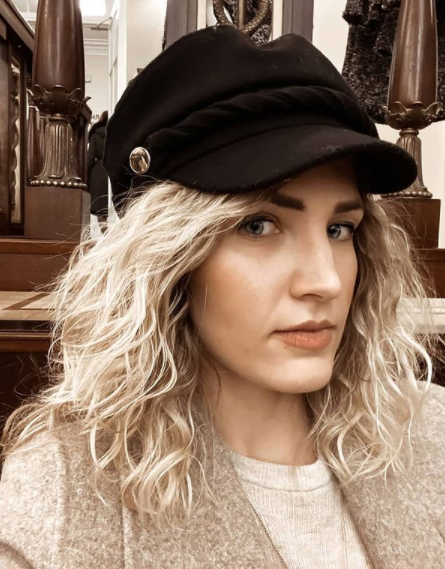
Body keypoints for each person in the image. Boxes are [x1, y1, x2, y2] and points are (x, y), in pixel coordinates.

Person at [1, 24, 444, 569]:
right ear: (168, 259)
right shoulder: (62, 498)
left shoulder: (430, 431)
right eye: (258, 226)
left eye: (339, 229)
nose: (326, 281)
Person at [87, 110, 109, 231]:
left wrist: (86, 175)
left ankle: (106, 235)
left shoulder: (95, 135)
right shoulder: (116, 133)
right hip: (112, 170)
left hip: (98, 174)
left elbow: (90, 158)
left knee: (101, 211)